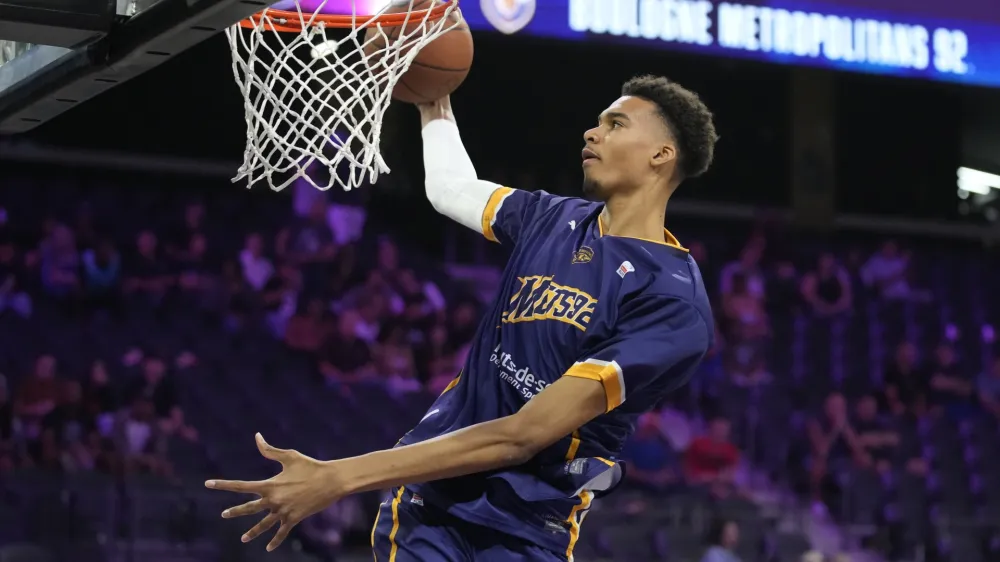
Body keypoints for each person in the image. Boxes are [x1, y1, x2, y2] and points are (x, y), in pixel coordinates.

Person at [207, 76, 718, 560]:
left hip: (531, 528)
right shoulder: (551, 218)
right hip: (433, 508)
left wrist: (339, 477)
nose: (592, 131)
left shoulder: (672, 302)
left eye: (615, 124)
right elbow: (451, 188)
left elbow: (522, 435)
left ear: (661, 155)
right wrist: (434, 99)